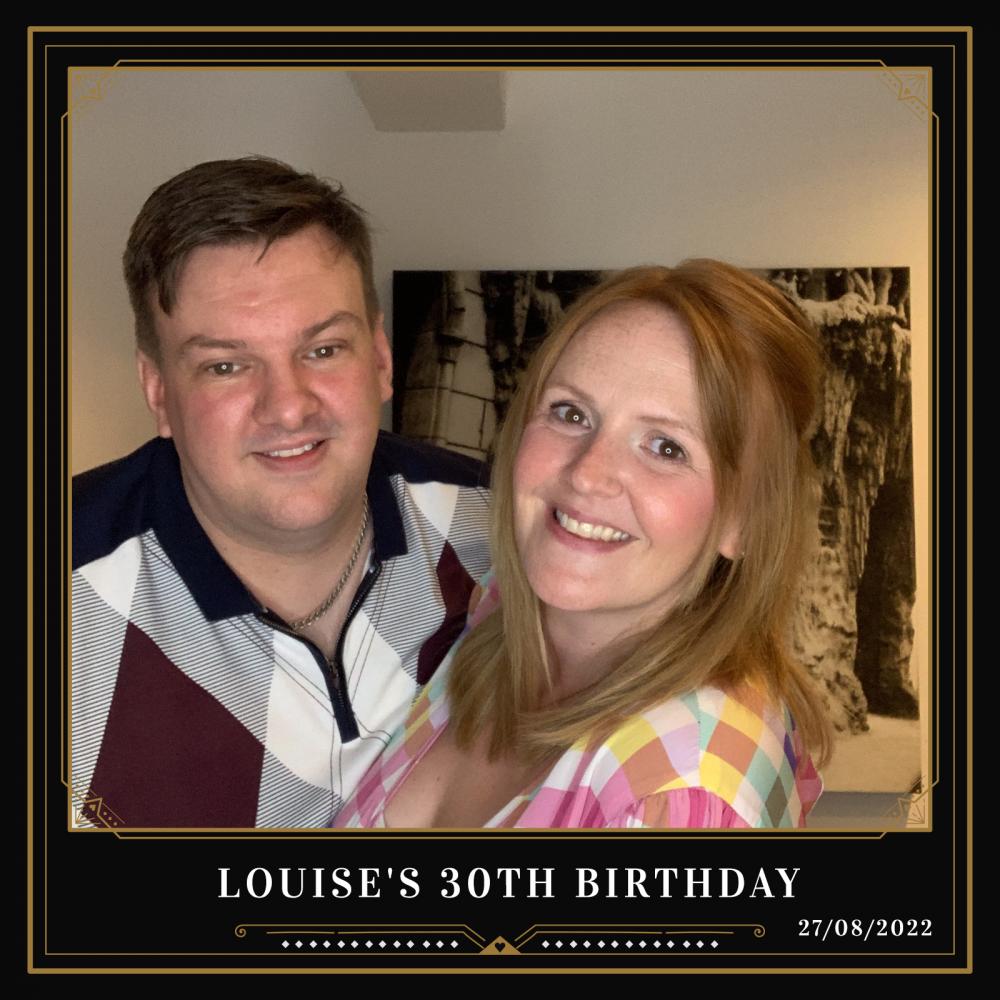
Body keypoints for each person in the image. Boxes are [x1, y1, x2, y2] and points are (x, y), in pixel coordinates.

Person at [71, 157, 491, 828]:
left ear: (381, 360)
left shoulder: (503, 531)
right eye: (226, 365)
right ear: (159, 393)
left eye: (323, 350)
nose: (289, 407)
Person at [337, 261, 830, 829]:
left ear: (743, 520)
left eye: (666, 447)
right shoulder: (498, 613)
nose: (588, 474)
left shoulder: (681, 800)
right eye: (570, 413)